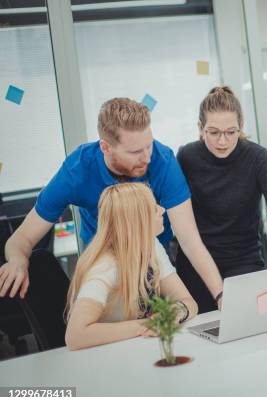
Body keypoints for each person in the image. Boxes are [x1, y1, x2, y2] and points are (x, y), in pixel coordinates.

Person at [0, 98, 223, 306]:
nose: (147, 157)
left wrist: (221, 296)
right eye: (135, 151)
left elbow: (190, 240)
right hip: (104, 272)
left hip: (153, 264)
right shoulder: (77, 171)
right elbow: (21, 239)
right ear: (105, 147)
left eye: (149, 145)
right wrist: (18, 260)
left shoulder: (162, 160)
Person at [176, 86, 267, 313]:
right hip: (197, 263)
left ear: (241, 127)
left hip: (244, 260)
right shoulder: (187, 156)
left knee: (251, 322)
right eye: (213, 132)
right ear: (200, 128)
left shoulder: (258, 157)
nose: (222, 141)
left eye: (231, 132)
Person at [64, 183, 197, 350]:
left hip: (135, 348)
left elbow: (189, 302)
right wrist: (148, 324)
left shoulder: (151, 246)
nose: (162, 210)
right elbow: (75, 336)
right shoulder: (104, 267)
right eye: (153, 207)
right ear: (138, 220)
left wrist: (175, 314)